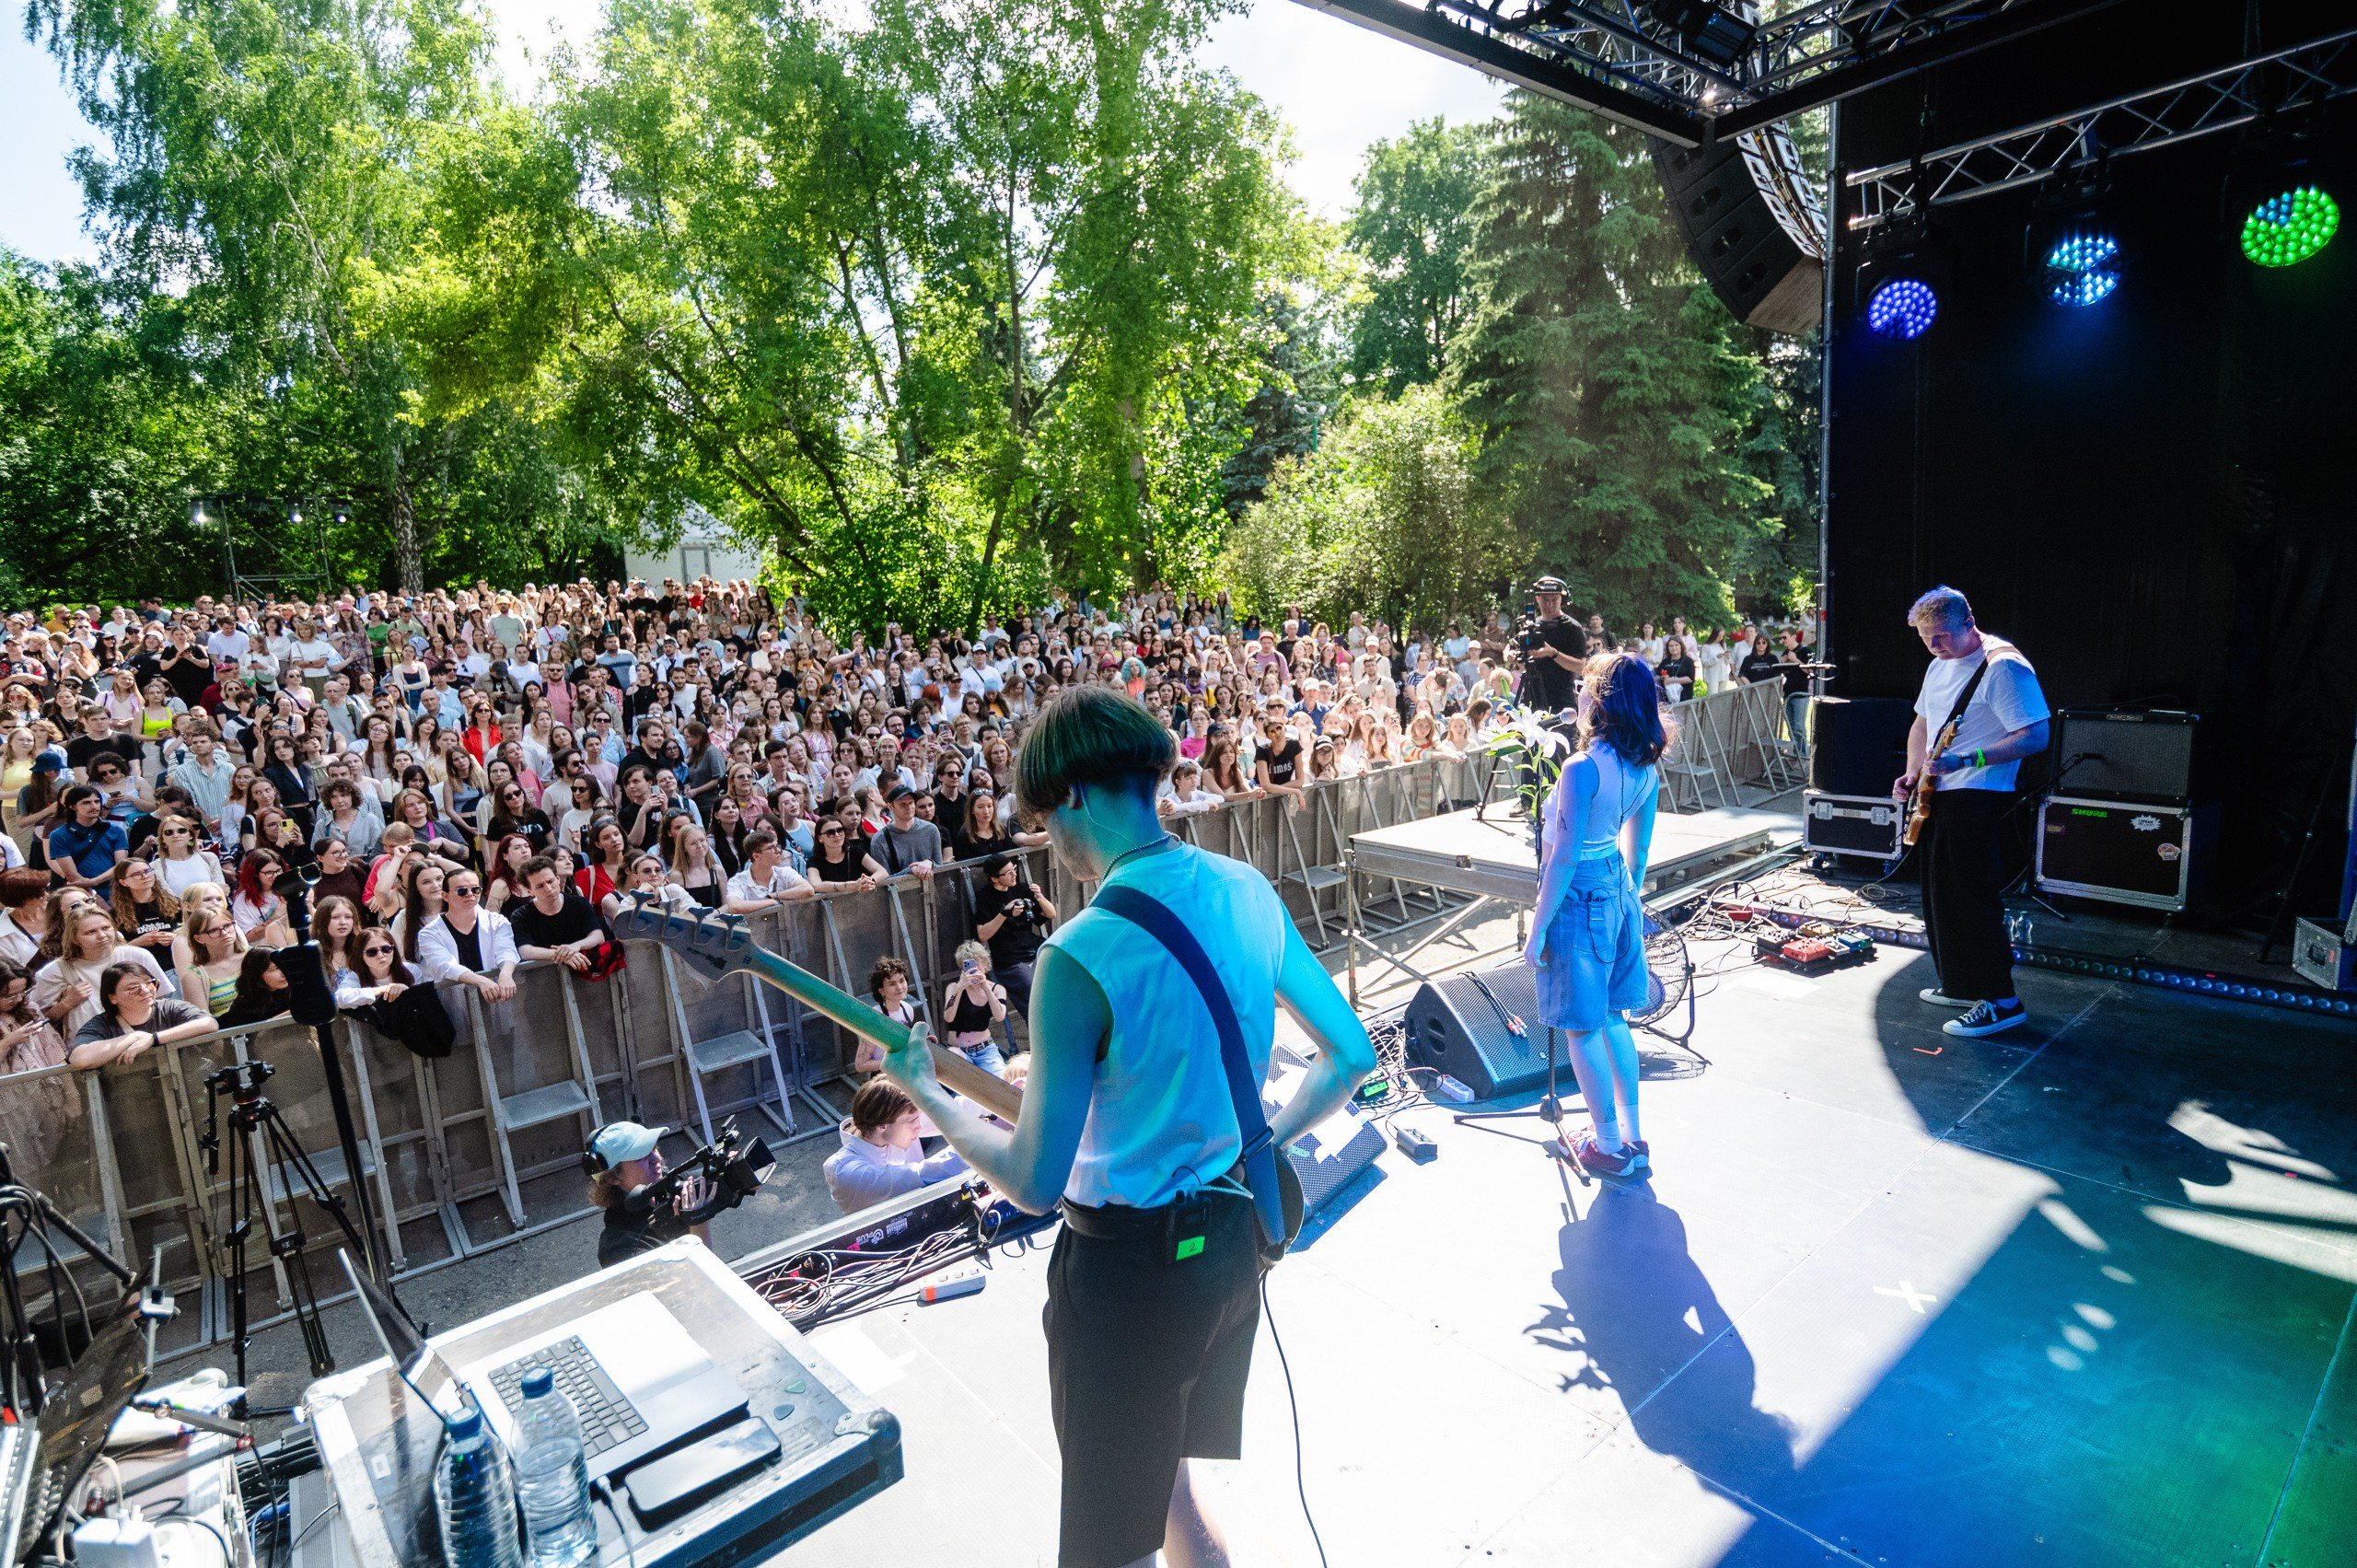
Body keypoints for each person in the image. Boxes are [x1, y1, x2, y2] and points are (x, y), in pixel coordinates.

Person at [874, 685, 1376, 1568]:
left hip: (1126, 1277)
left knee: (1114, 1544)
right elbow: (1348, 1054)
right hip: (1232, 1249)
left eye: (1041, 817)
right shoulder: (1246, 889)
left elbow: (1032, 1180)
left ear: (1072, 794)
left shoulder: (1078, 955)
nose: (1046, 844)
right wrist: (1260, 1144)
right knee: (1175, 1487)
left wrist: (933, 1096)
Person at [1521, 652, 1665, 1180]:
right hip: (1619, 886)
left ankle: (1606, 1147)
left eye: (1585, 687)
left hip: (1581, 891)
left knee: (1582, 1027)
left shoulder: (1582, 768)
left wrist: (1537, 931)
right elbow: (1640, 852)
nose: (1578, 695)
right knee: (1612, 1020)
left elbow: (1562, 856)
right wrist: (1627, 904)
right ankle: (1631, 1138)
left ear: (1601, 701)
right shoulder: (1645, 766)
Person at [1892, 586, 2050, 1039]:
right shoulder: (1939, 664)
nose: (1936, 646)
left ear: (1969, 621)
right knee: (1942, 896)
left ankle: (2002, 1000)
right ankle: (1963, 984)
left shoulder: (2003, 667)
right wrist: (1912, 772)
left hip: (1977, 793)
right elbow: (1923, 723)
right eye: (1927, 639)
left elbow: (2035, 735)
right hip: (1938, 791)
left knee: (1972, 897)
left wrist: (1968, 760)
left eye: (1942, 636)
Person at [820, 1078, 968, 1214]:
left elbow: (954, 1114)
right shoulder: (842, 1171)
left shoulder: (892, 1124)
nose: (920, 1126)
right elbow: (921, 1175)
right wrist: (979, 1148)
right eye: (913, 1121)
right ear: (882, 1126)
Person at [586, 1121, 714, 1269]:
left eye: (654, 1149)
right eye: (641, 1156)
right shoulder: (619, 1246)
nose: (657, 1159)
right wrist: (698, 1225)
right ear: (613, 1178)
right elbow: (694, 1281)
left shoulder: (671, 1185)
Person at [69, 961, 216, 1068]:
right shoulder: (101, 1024)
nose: (146, 991)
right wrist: (134, 1037)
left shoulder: (170, 1007)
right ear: (112, 997)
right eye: (133, 988)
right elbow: (81, 1058)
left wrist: (154, 1039)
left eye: (150, 983)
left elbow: (209, 1023)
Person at [416, 870, 520, 1002]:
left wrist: (506, 974)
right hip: (456, 1003)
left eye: (475, 889)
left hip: (498, 997)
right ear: (445, 896)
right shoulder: (429, 933)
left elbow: (507, 950)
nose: (470, 894)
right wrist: (480, 981)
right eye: (462, 891)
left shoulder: (497, 921)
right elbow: (445, 965)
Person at [970, 853, 1052, 1018]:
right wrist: (1005, 914)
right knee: (1034, 993)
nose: (1014, 874)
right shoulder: (985, 898)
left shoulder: (1021, 889)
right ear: (994, 878)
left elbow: (1051, 913)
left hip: (1034, 947)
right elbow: (983, 935)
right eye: (1008, 873)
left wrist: (1040, 896)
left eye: (1013, 869)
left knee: (1057, 984)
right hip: (1010, 958)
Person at [508, 856, 616, 975]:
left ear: (558, 879)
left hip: (586, 972)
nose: (548, 889)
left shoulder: (579, 903)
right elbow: (525, 951)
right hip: (545, 979)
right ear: (529, 891)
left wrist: (575, 947)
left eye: (550, 881)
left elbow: (597, 936)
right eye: (540, 886)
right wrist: (563, 954)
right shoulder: (521, 915)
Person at [1518, 575, 1588, 712]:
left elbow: (1580, 666)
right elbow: (1516, 649)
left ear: (1562, 599)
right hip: (1531, 695)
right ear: (1537, 599)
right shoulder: (1531, 625)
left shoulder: (1573, 628)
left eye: (1554, 599)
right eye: (1545, 599)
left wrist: (1553, 653)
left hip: (1559, 699)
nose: (1549, 604)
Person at [939, 940, 1009, 1075]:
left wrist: (985, 987)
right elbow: (948, 1017)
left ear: (984, 964)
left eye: (977, 964)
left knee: (1001, 1080)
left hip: (985, 1050)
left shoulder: (997, 989)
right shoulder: (954, 987)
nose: (973, 970)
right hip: (959, 1050)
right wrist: (960, 988)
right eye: (968, 965)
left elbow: (1000, 1016)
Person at [722, 830, 812, 912]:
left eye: (777, 846)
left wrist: (775, 895)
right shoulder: (737, 881)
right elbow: (735, 906)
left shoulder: (785, 872)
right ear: (756, 856)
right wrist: (770, 902)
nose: (778, 851)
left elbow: (808, 890)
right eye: (771, 848)